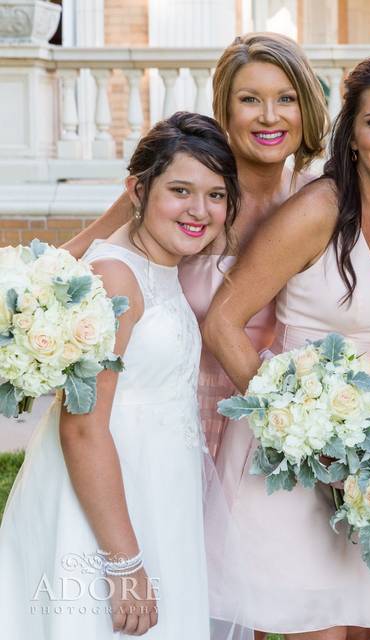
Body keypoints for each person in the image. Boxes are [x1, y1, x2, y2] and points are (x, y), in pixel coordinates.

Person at [201, 52, 370, 640]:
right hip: (291, 452)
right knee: (310, 626)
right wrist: (296, 428)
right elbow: (223, 322)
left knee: (361, 628)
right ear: (351, 134)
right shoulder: (318, 211)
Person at [0, 112, 238, 638]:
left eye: (216, 195)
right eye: (180, 190)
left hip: (157, 490)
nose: (200, 210)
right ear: (138, 189)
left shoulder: (159, 264)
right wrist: (123, 563)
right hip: (108, 506)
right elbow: (82, 426)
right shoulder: (114, 278)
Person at [62, 32, 329, 460]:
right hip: (176, 418)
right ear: (224, 107)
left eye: (286, 98)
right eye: (249, 100)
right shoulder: (184, 193)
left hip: (267, 422)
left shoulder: (317, 202)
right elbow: (77, 254)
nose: (269, 117)